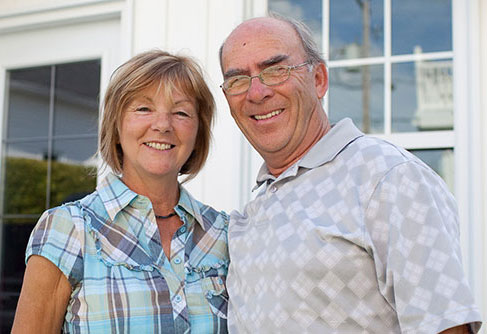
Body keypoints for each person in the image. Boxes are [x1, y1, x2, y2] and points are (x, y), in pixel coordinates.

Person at [219, 14, 482, 333]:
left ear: (319, 80)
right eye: (237, 80)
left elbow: (444, 326)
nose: (256, 92)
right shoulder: (254, 210)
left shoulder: (388, 177)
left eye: (276, 70)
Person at [12, 50, 229, 333]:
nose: (163, 125)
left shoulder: (222, 234)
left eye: (181, 112)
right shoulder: (68, 229)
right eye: (143, 109)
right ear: (115, 125)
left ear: (198, 133)